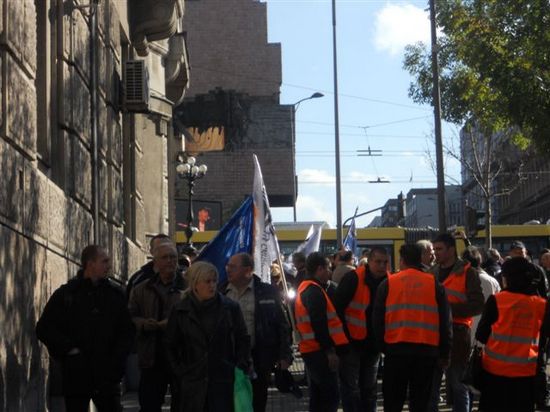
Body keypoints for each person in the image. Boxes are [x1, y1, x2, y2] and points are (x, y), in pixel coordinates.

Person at [36, 245, 135, 412]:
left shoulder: (115, 295)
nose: (109, 266)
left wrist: (117, 362)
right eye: (104, 261)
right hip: (77, 374)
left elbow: (127, 332)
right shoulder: (68, 294)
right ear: (90, 264)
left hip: (106, 374)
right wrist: (69, 349)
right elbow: (44, 328)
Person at [373, 244, 452, 412]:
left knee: (393, 401)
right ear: (420, 259)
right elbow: (445, 322)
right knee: (421, 402)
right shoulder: (434, 284)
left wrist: (383, 347)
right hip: (426, 352)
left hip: (395, 351)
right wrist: (444, 353)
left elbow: (377, 321)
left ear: (402, 260)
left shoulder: (388, 284)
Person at [166, 261, 251, 412]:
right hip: (192, 382)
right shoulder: (180, 310)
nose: (212, 285)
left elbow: (242, 339)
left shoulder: (230, 308)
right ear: (195, 284)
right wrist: (180, 372)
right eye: (207, 281)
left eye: (214, 281)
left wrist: (239, 366)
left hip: (223, 380)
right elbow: (170, 344)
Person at [476, 257, 550, 412]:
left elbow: (481, 335)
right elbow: (544, 337)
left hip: (494, 372)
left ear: (507, 278)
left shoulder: (496, 300)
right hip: (525, 373)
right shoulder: (541, 305)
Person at [221, 253, 293, 412]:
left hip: (259, 359)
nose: (228, 269)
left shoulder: (267, 291)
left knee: (257, 401)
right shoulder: (221, 291)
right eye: (228, 266)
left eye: (233, 267)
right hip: (228, 359)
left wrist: (285, 355)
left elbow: (282, 325)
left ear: (248, 270)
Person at [428, 233, 484, 412]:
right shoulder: (431, 272)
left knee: (458, 384)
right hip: (433, 334)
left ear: (451, 249)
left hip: (458, 334)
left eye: (439, 249)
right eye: (434, 249)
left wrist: (447, 309)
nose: (435, 253)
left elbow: (478, 305)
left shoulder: (468, 272)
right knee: (431, 386)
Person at [128, 242, 186, 412]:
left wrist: (173, 324)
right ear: (155, 262)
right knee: (149, 404)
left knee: (183, 404)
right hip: (151, 356)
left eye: (173, 257)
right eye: (165, 257)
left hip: (181, 356)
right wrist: (144, 324)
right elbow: (130, 316)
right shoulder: (141, 289)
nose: (170, 261)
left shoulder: (189, 287)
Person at [333, 247, 390, 412]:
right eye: (378, 262)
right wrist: (342, 340)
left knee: (369, 388)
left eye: (385, 262)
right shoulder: (353, 278)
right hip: (352, 342)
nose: (382, 266)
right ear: (369, 261)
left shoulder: (390, 281)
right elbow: (337, 309)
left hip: (374, 345)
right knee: (351, 388)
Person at [294, 252, 349, 412]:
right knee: (330, 397)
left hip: (311, 350)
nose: (330, 272)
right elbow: (319, 324)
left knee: (318, 397)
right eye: (328, 268)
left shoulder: (305, 287)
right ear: (319, 269)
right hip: (319, 352)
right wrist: (329, 351)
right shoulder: (314, 291)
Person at [462, 246, 501, 345]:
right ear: (480, 261)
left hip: (464, 334)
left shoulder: (459, 280)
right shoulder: (492, 281)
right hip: (486, 336)